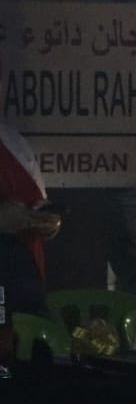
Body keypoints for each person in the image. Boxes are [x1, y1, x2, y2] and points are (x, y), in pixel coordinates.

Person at [0, 123, 61, 347]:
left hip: (25, 276)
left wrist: (45, 219)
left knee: (27, 359)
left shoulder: (11, 138)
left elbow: (36, 199)